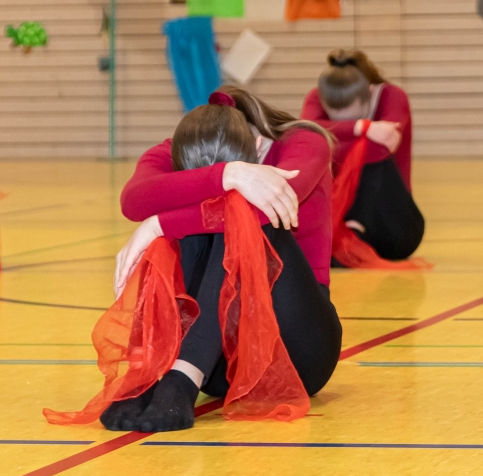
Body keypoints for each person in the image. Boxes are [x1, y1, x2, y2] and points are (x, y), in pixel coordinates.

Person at [47, 87, 341, 434]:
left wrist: (158, 224)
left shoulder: (302, 143)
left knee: (245, 215)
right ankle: (149, 373)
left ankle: (183, 378)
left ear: (258, 146)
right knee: (209, 215)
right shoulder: (188, 144)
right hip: (221, 366)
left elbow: (275, 201)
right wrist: (227, 176)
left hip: (301, 349)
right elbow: (133, 199)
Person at [299, 49, 426, 267]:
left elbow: (382, 149)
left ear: (369, 92)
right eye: (334, 117)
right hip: (339, 217)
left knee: (370, 155)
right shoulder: (320, 94)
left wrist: (331, 136)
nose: (342, 122)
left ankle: (355, 226)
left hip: (393, 224)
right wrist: (361, 126)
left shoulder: (392, 96)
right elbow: (306, 132)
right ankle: (349, 232)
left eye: (351, 116)